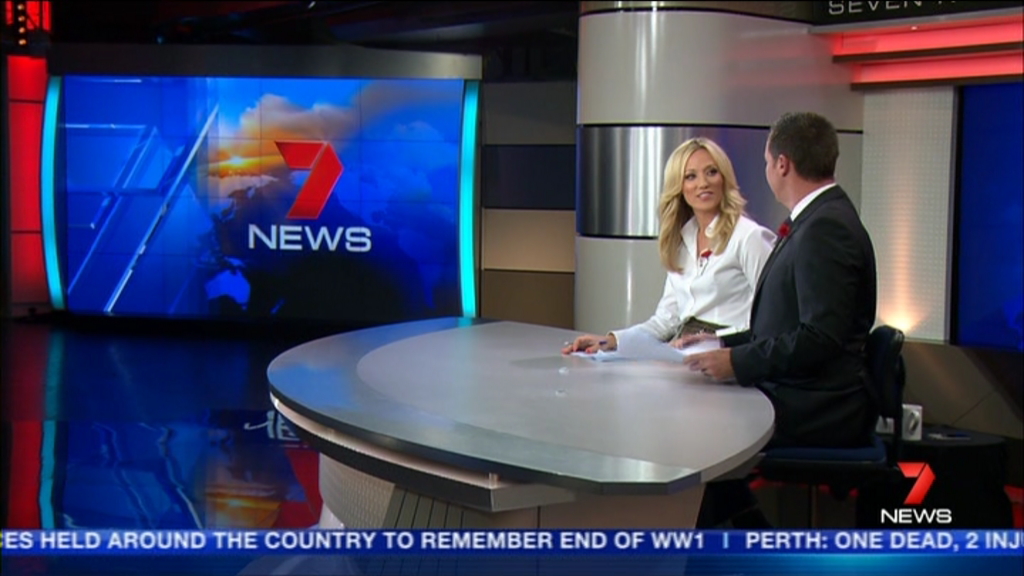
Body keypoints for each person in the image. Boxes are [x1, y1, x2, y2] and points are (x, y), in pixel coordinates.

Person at [682, 111, 879, 527]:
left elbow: (820, 337)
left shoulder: (826, 228)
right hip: (806, 391)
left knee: (699, 427)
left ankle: (726, 543)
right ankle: (737, 533)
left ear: (783, 164)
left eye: (767, 161)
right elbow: (787, 326)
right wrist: (722, 344)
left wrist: (738, 363)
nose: (767, 169)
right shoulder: (818, 219)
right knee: (702, 413)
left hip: (821, 405)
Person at [563, 137, 776, 356]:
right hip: (683, 352)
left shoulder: (749, 237)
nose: (703, 183)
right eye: (690, 176)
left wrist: (720, 339)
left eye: (712, 172)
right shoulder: (683, 241)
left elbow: (776, 317)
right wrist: (613, 341)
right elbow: (666, 320)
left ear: (724, 177)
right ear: (679, 187)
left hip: (730, 355)